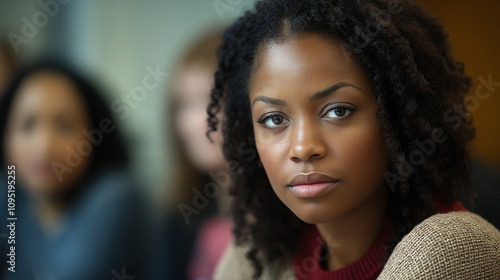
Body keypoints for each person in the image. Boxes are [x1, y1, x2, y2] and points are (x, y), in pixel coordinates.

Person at [207, 0, 500, 279]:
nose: (303, 148)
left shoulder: (449, 247)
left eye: (337, 111)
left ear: (397, 116)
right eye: (274, 119)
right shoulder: (256, 255)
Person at [0, 60, 150, 280]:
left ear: (94, 135)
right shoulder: (12, 195)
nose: (44, 147)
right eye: (27, 125)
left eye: (64, 126)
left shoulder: (117, 195)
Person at [149, 29, 232, 280]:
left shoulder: (292, 214)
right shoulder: (179, 218)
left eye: (211, 100)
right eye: (184, 104)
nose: (193, 122)